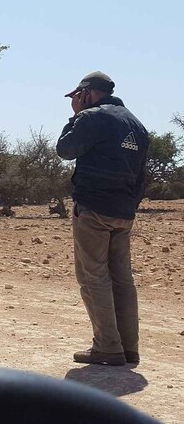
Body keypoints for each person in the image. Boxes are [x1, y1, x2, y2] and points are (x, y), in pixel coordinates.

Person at [56, 71, 149, 366]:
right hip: (123, 212)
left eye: (76, 96)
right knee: (122, 279)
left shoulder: (91, 117)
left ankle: (108, 346)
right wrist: (129, 205)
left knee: (93, 276)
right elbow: (142, 176)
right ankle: (128, 347)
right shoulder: (136, 124)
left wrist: (76, 116)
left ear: (86, 92)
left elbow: (64, 150)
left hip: (94, 208)